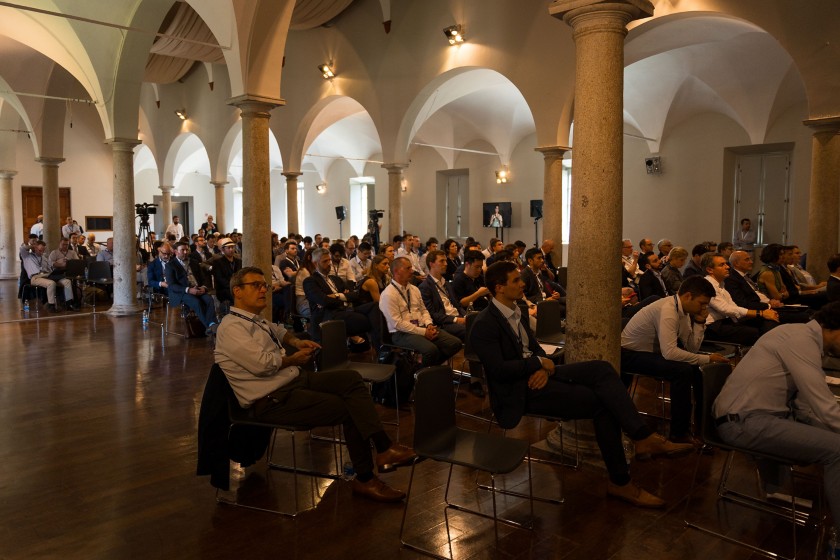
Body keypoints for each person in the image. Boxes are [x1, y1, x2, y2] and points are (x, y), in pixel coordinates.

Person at [470, 261, 692, 508]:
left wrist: (542, 365)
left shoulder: (516, 311)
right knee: (601, 403)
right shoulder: (485, 324)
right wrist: (537, 364)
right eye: (515, 280)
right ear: (499, 287)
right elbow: (499, 370)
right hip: (519, 391)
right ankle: (622, 480)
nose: (522, 283)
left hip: (536, 374)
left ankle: (641, 438)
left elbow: (534, 350)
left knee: (602, 368)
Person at [215, 267, 415, 502]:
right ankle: (365, 478)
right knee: (350, 408)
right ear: (237, 291)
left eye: (264, 285)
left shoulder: (253, 319)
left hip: (292, 380)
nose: (263, 290)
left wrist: (295, 342)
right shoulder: (231, 328)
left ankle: (383, 448)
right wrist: (292, 359)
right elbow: (262, 365)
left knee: (352, 380)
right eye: (256, 285)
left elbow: (278, 331)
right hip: (272, 398)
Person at [714, 302, 840, 533]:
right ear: (834, 328)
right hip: (743, 421)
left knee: (831, 435)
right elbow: (823, 405)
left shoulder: (799, 334)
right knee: (837, 450)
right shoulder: (801, 340)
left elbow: (806, 405)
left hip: (756, 417)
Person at [621, 276, 729, 444]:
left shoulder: (684, 311)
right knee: (682, 371)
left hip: (651, 353)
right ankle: (679, 433)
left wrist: (700, 322)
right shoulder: (668, 309)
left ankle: (704, 427)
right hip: (629, 353)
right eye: (702, 303)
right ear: (687, 296)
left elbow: (691, 349)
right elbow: (670, 353)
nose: (704, 307)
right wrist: (707, 358)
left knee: (699, 370)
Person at [379, 257, 462, 367]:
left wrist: (429, 324)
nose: (412, 271)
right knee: (431, 350)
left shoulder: (414, 289)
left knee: (455, 343)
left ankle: (426, 370)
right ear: (397, 271)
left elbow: (424, 310)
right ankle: (418, 376)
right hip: (402, 333)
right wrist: (424, 332)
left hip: (423, 327)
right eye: (408, 268)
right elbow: (397, 324)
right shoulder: (388, 294)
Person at [165, 242, 218, 334]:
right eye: (182, 250)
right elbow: (172, 285)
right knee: (196, 302)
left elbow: (203, 278)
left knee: (209, 299)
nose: (185, 252)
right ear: (176, 252)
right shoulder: (170, 265)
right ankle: (210, 328)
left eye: (187, 250)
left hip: (197, 289)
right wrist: (188, 290)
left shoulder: (193, 262)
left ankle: (212, 324)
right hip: (181, 292)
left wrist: (204, 288)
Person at [22, 240, 77, 311]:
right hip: (36, 277)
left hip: (48, 275)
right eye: (40, 250)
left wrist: (58, 265)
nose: (41, 252)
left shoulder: (44, 258)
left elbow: (51, 267)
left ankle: (69, 304)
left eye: (43, 250)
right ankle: (51, 305)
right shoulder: (27, 256)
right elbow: (22, 249)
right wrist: (32, 246)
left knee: (67, 281)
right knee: (51, 283)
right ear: (35, 248)